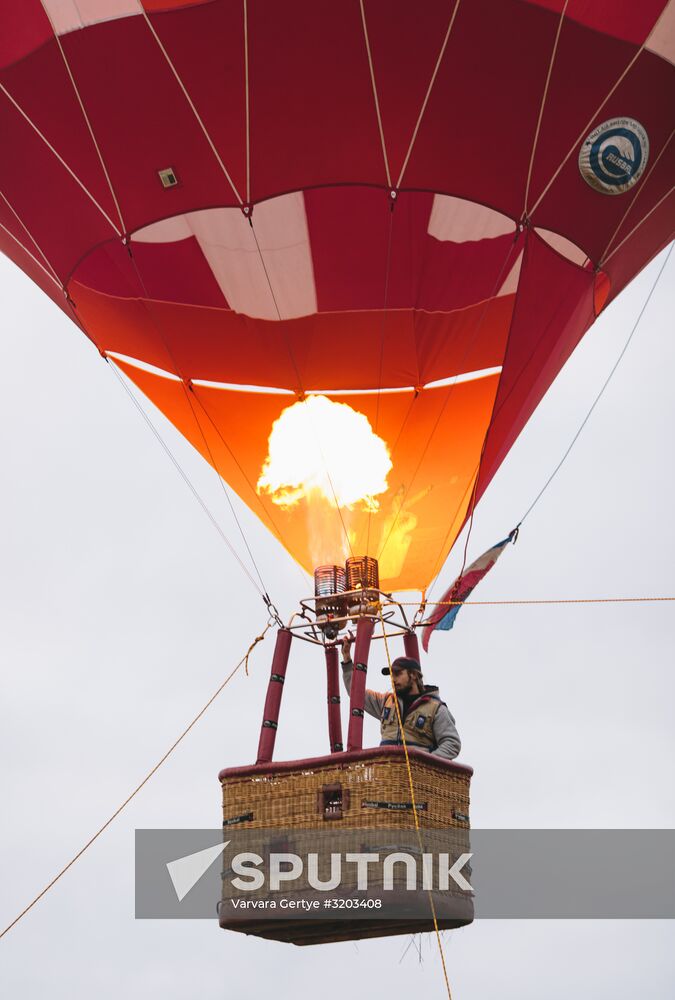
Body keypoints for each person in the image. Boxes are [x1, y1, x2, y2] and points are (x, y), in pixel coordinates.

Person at [340, 635, 461, 759]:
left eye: (397, 674)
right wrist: (347, 659)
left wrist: (427, 763)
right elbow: (355, 693)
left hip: (416, 771)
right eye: (391, 675)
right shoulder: (386, 701)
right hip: (388, 770)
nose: (393, 679)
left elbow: (452, 743)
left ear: (413, 675)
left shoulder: (436, 709)